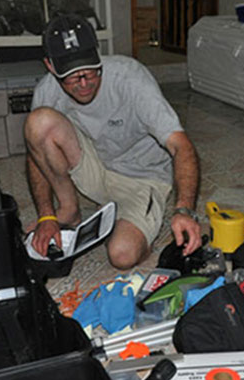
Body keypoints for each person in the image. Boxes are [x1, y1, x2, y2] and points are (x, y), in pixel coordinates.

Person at [25, 14, 202, 270]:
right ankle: (68, 209)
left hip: (141, 178)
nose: (84, 83)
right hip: (95, 167)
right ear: (50, 66)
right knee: (37, 122)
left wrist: (184, 210)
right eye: (72, 77)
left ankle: (140, 227)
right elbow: (35, 154)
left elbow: (181, 145)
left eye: (90, 71)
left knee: (122, 255)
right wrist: (46, 215)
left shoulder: (130, 79)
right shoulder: (47, 90)